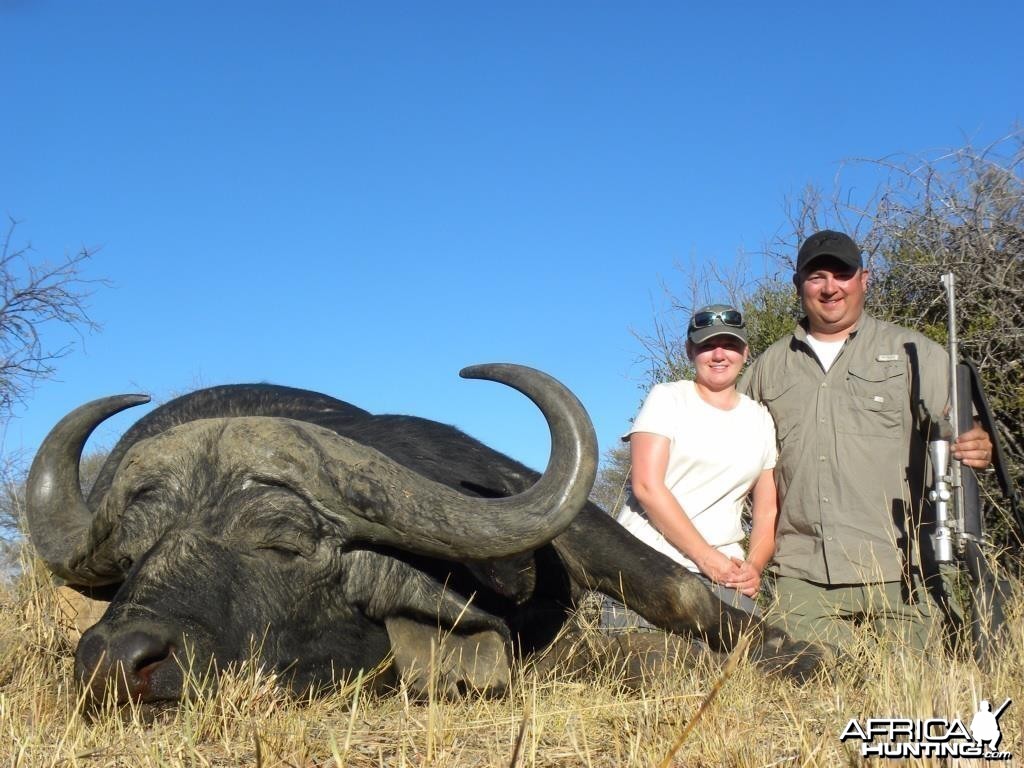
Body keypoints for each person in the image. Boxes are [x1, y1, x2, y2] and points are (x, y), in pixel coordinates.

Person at [739, 229, 993, 651]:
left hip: (903, 570)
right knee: (803, 687)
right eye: (817, 276)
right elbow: (728, 442)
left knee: (911, 689)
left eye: (842, 274)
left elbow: (968, 425)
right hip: (802, 572)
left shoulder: (914, 350)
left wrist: (978, 442)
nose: (829, 287)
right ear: (798, 284)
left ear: (864, 279)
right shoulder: (770, 366)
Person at [604, 303, 779, 627]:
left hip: (726, 576)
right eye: (707, 345)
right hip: (647, 563)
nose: (718, 354)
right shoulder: (667, 397)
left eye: (729, 345)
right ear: (689, 350)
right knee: (645, 667)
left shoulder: (760, 418)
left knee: (743, 669)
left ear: (745, 352)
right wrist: (706, 558)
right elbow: (646, 486)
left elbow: (766, 512)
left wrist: (752, 569)